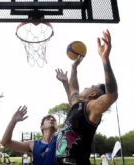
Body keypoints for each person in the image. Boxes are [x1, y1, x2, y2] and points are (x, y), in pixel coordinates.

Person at [55, 29, 118, 165]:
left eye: (92, 86)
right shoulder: (77, 105)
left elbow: (112, 95)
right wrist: (74, 67)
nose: (87, 86)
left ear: (93, 94)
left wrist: (105, 59)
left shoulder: (91, 108)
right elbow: (73, 89)